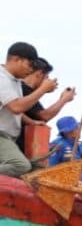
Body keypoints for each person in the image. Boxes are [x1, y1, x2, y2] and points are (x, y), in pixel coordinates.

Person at [0, 42, 57, 177]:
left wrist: (31, 121)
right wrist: (42, 89)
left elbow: (12, 109)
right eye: (30, 64)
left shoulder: (15, 81)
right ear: (16, 59)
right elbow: (16, 107)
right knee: (20, 166)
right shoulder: (2, 78)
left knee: (35, 166)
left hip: (7, 137)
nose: (31, 70)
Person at [17, 57, 76, 151]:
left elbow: (36, 114)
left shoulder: (22, 89)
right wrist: (64, 99)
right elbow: (44, 116)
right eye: (46, 77)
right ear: (39, 74)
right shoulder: (23, 89)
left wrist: (45, 92)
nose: (48, 81)